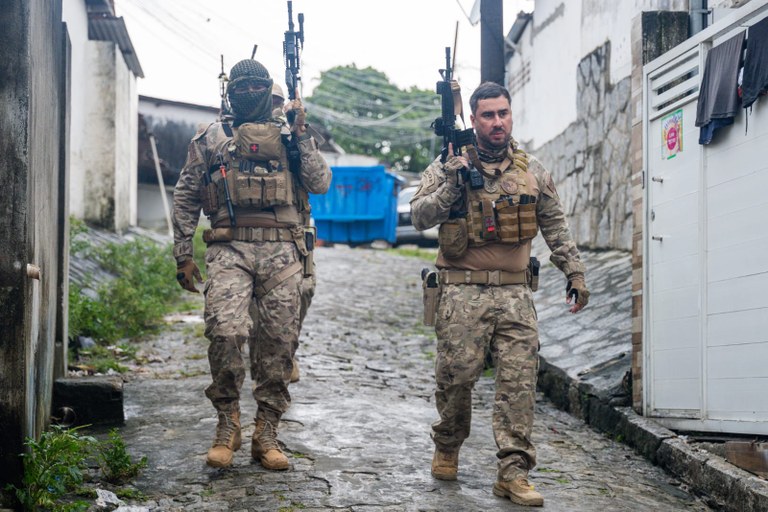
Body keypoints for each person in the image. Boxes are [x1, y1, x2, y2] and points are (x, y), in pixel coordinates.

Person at [410, 81, 589, 507]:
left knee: (519, 383)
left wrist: (575, 273)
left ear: (511, 116)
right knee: (456, 379)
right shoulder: (447, 165)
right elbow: (418, 216)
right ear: (472, 120)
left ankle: (513, 470)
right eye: (487, 115)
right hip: (462, 293)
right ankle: (448, 443)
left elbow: (556, 227)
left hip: (515, 295)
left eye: (503, 113)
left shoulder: (531, 171)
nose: (496, 122)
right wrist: (451, 185)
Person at [172, 58, 331, 471]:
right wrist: (182, 253)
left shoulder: (291, 136)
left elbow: (320, 182)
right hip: (230, 249)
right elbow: (187, 194)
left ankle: (267, 432)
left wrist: (301, 135)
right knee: (224, 331)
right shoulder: (211, 138)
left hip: (283, 253)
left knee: (278, 345)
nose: (245, 94)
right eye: (238, 88)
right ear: (229, 93)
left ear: (267, 91)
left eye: (253, 88)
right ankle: (228, 423)